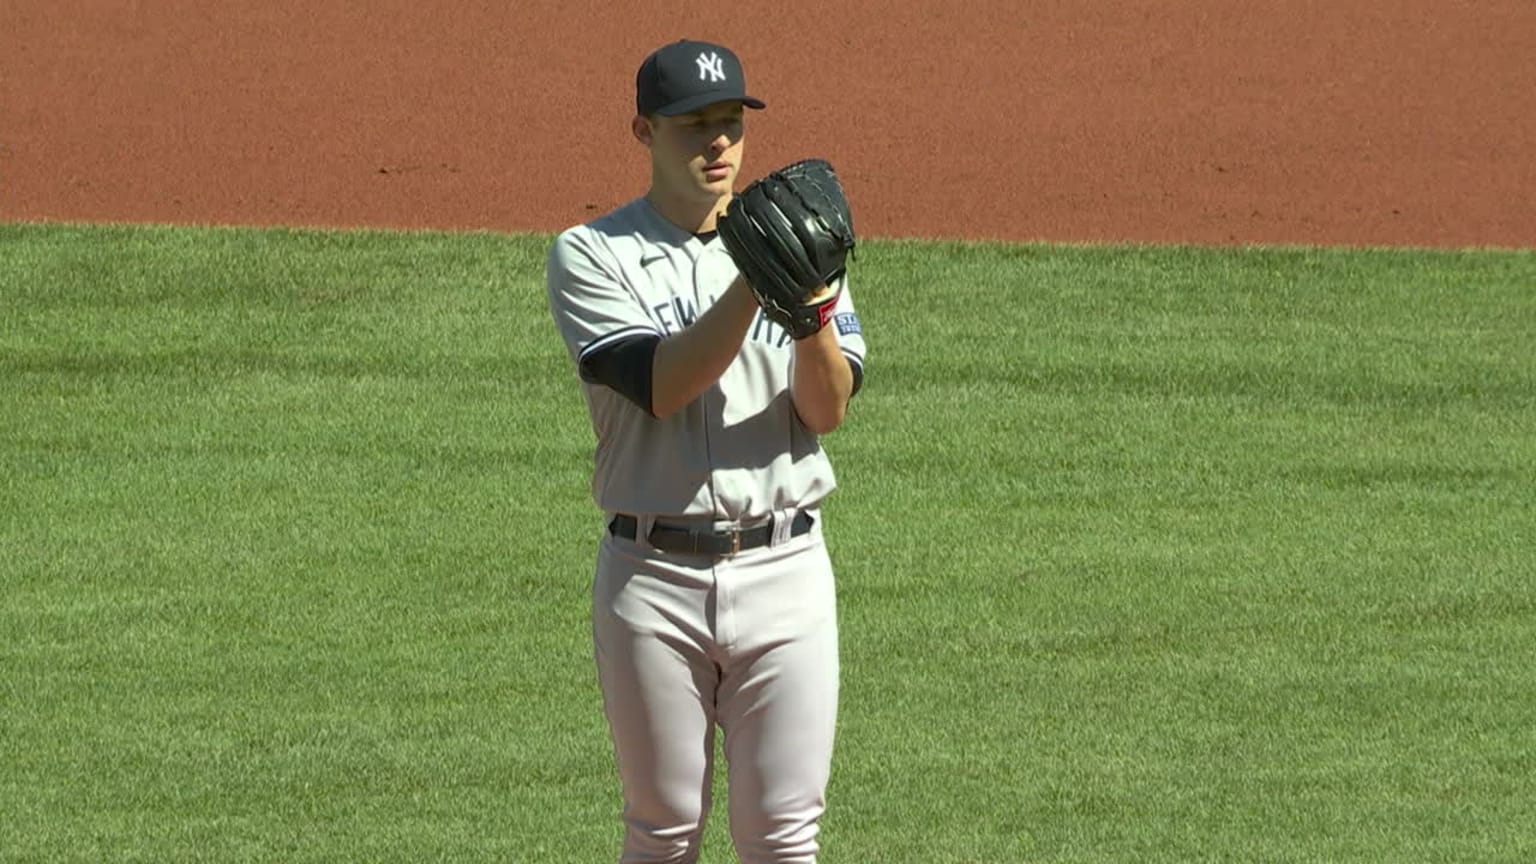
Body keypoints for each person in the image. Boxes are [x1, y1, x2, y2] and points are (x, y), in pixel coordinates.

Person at [543, 38, 868, 864]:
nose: (717, 143)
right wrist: (759, 279)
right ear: (643, 131)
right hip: (654, 582)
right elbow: (662, 384)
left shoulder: (800, 239)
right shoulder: (591, 254)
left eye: (729, 123)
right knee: (662, 832)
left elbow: (824, 409)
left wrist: (812, 308)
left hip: (785, 575)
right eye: (693, 125)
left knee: (786, 838)